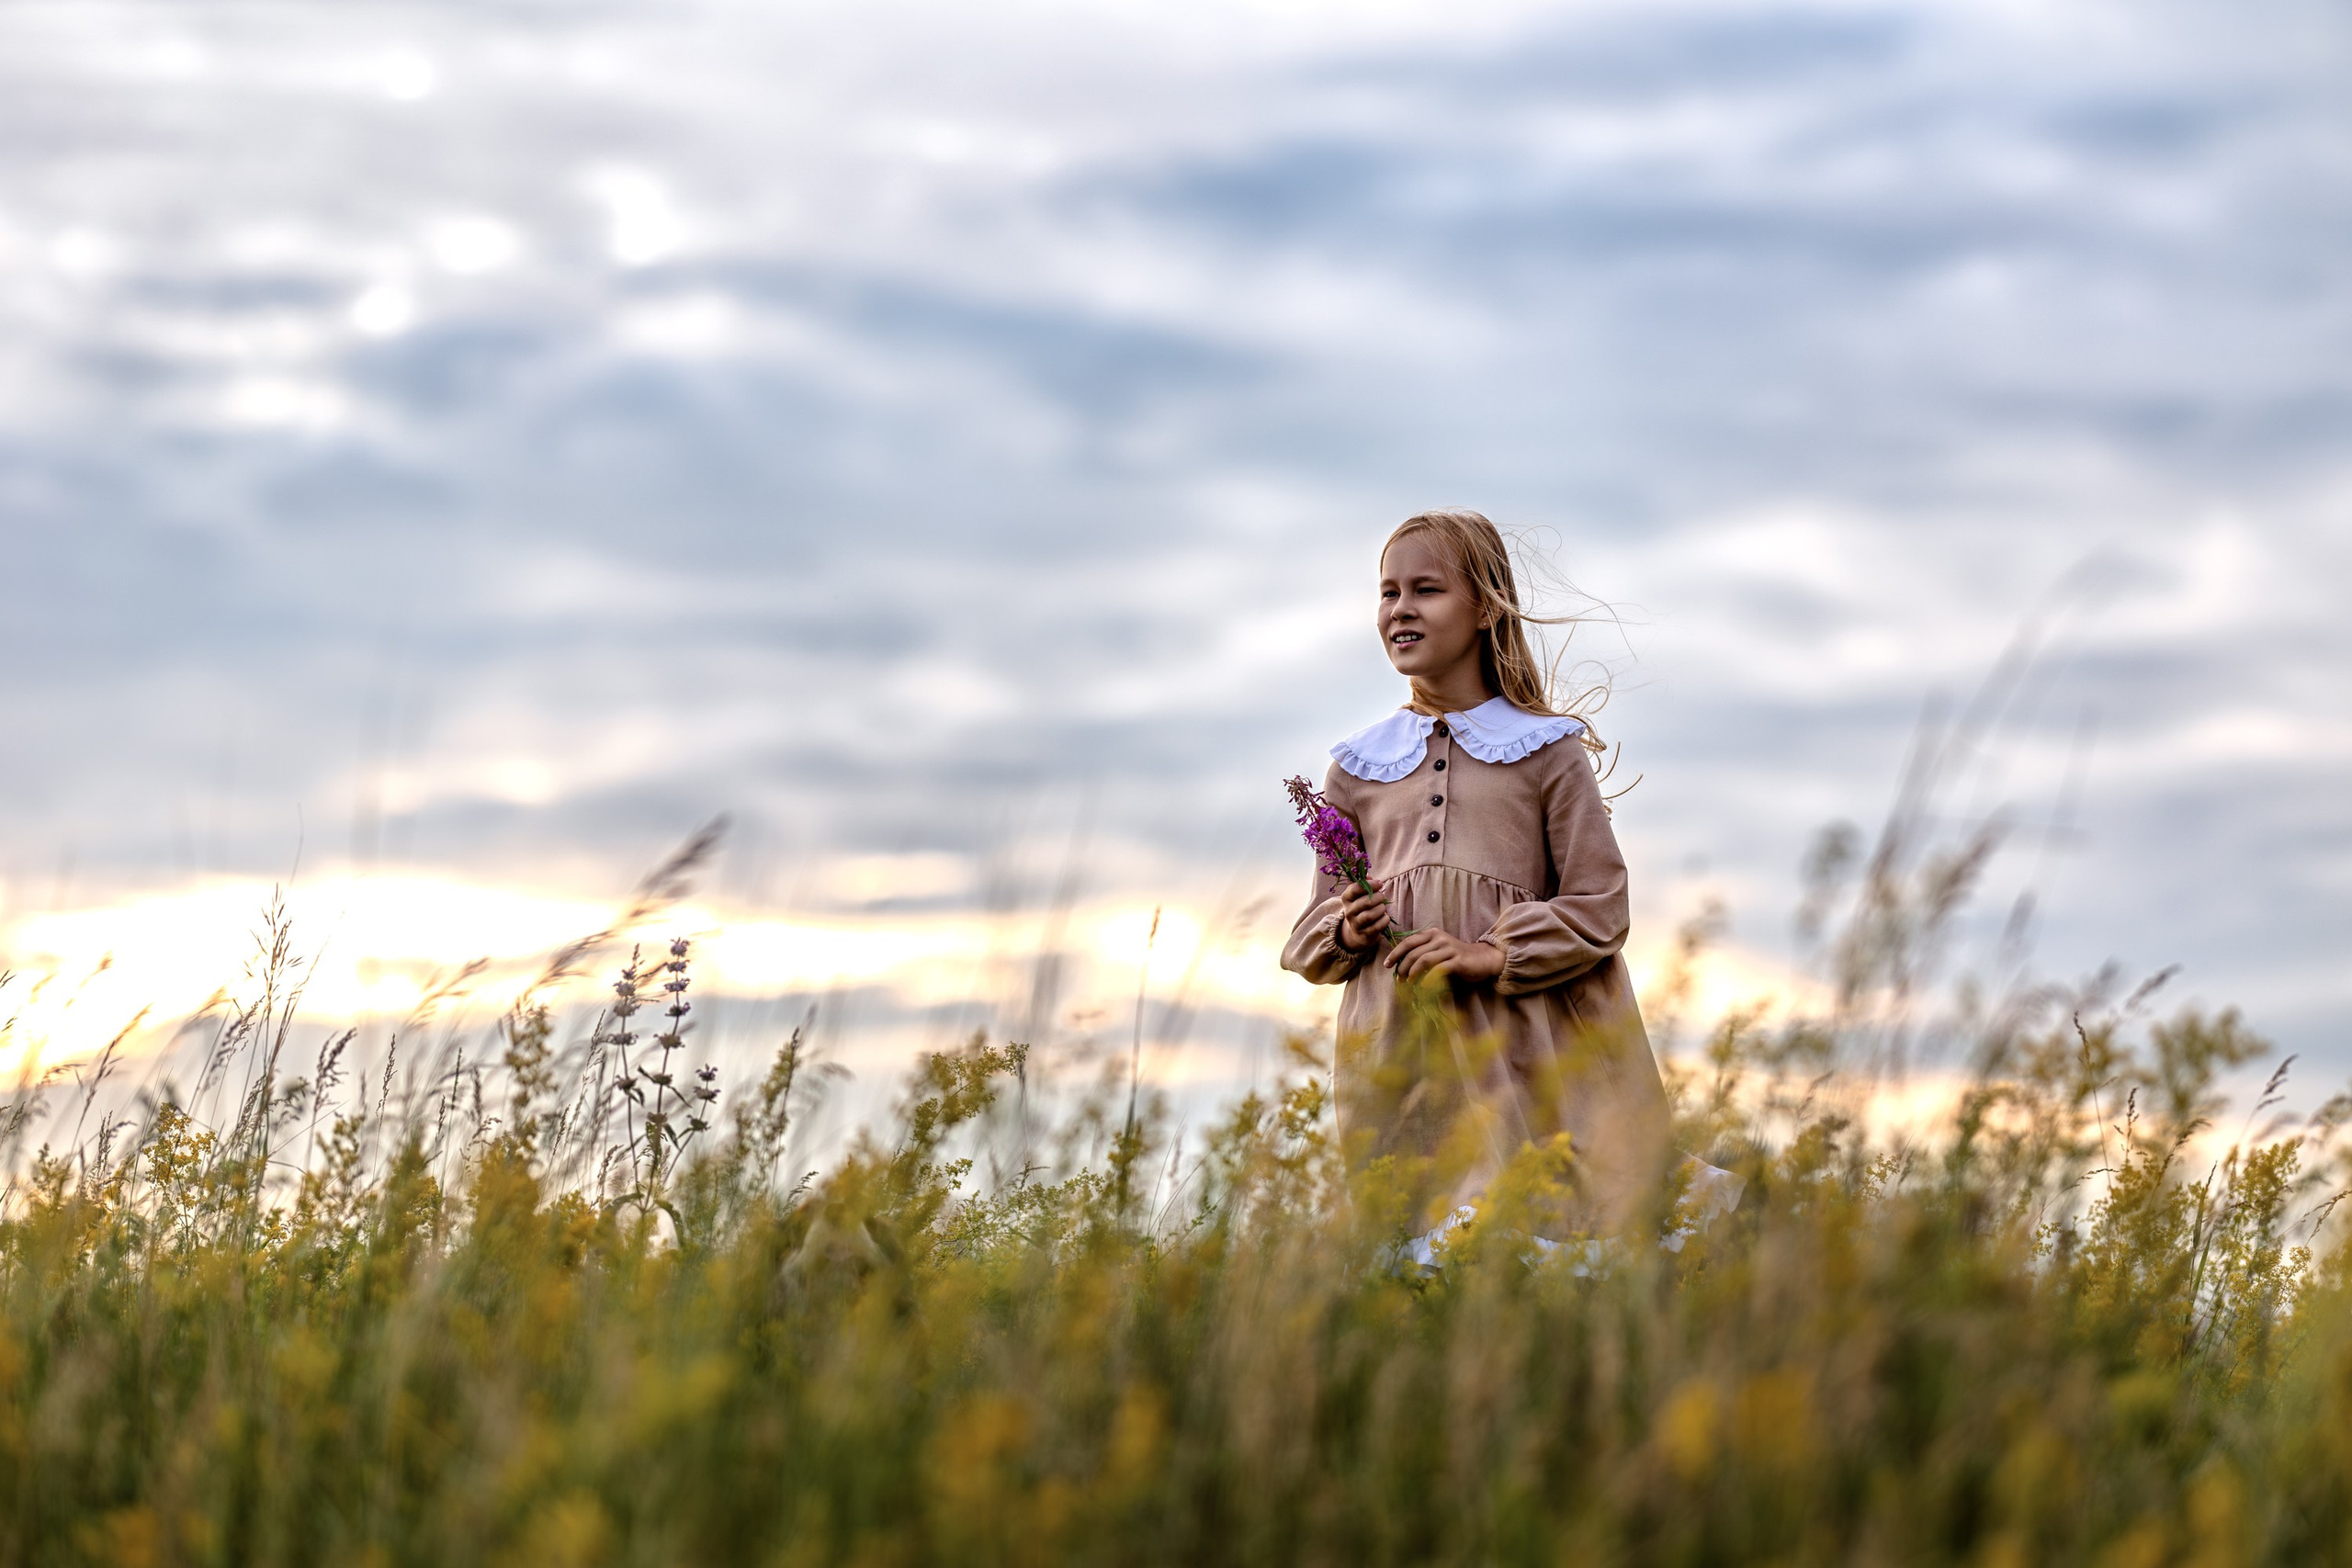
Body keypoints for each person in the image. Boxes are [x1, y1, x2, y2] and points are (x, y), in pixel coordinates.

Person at [1280, 508, 1677, 1242]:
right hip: (1402, 1051)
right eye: (1388, 592)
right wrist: (1348, 926)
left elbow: (1602, 903)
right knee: (1420, 1243)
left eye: (1426, 589)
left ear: (1487, 607)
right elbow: (1310, 934)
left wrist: (1489, 953)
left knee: (1535, 1231)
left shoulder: (1546, 751)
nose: (1401, 608)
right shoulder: (1357, 767)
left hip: (1522, 1045)